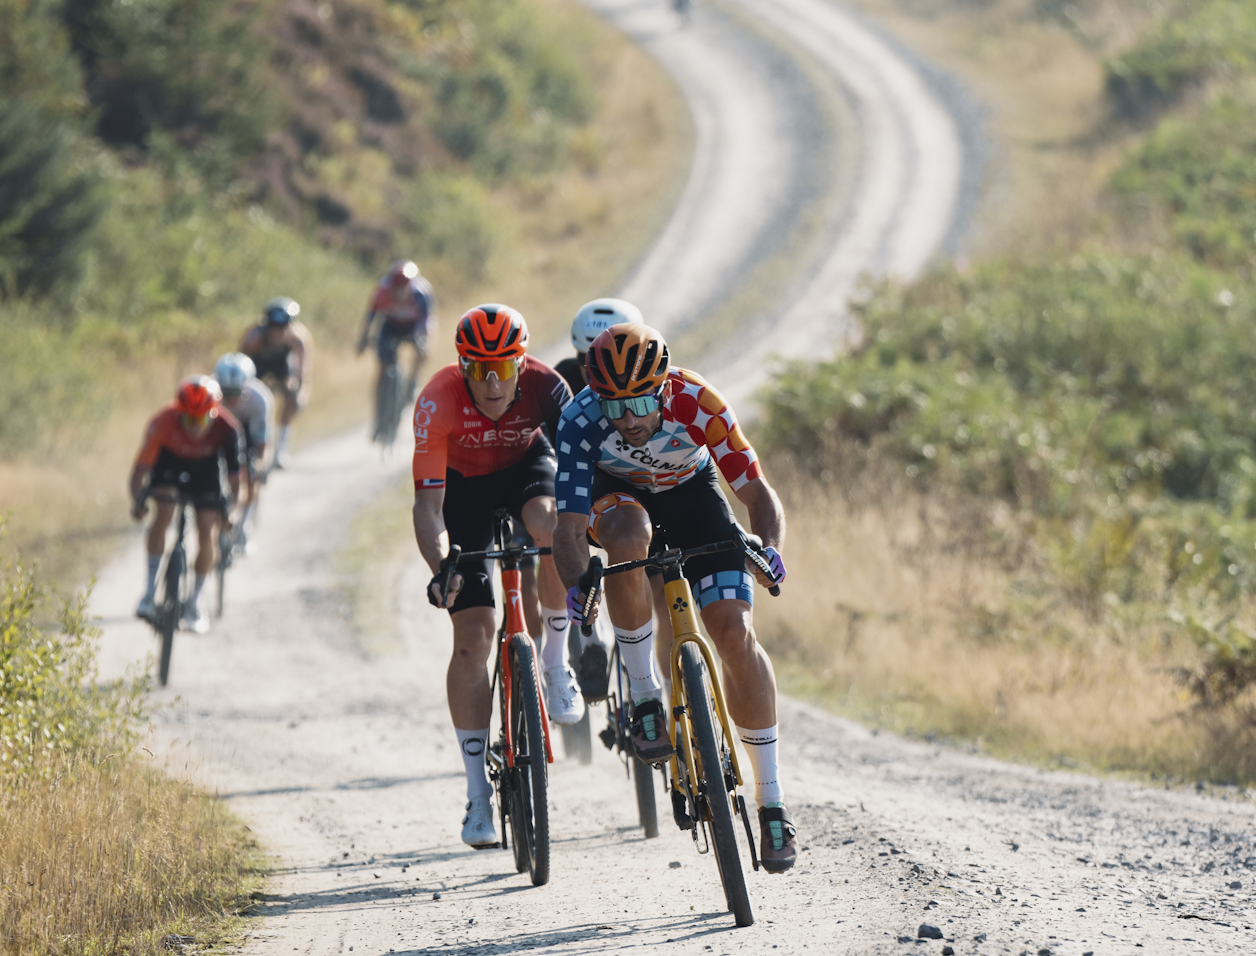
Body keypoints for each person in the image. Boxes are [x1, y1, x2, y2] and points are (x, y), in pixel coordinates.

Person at [551, 322, 797, 872]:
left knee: (735, 634)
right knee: (626, 537)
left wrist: (769, 549)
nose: (631, 419)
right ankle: (644, 695)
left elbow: (756, 492)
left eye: (641, 401)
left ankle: (773, 802)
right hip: (617, 499)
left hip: (692, 494)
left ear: (662, 386)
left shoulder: (697, 400)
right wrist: (579, 585)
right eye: (616, 407)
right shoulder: (579, 419)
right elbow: (567, 531)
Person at [411, 303, 581, 848]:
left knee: (551, 528)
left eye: (503, 369)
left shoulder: (547, 387)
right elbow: (429, 508)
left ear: (521, 363)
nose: (491, 382)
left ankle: (555, 664)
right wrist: (443, 566)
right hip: (462, 491)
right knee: (474, 637)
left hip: (528, 470)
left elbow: (582, 464)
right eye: (478, 368)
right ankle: (478, 799)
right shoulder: (437, 399)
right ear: (461, 365)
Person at [130, 376, 244, 634]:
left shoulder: (228, 428)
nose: (194, 427)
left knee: (207, 529)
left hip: (207, 471)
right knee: (164, 512)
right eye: (187, 419)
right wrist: (137, 501)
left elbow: (237, 482)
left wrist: (232, 512)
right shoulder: (162, 421)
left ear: (213, 414)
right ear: (179, 412)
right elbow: (138, 472)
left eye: (201, 420)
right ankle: (148, 594)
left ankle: (195, 602)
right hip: (170, 465)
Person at [358, 261, 435, 439]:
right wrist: (363, 339)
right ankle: (378, 418)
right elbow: (370, 317)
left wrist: (421, 340)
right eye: (396, 287)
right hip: (390, 326)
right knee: (382, 368)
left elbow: (426, 322)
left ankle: (412, 382)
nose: (399, 292)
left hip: (413, 327)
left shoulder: (420, 293)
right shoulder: (382, 291)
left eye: (403, 287)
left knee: (423, 349)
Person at [240, 296, 312, 467]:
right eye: (273, 328)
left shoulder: (299, 340)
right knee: (245, 397)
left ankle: (281, 449)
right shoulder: (253, 339)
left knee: (291, 392)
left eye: (282, 328)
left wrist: (300, 396)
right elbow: (241, 366)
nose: (277, 333)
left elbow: (303, 374)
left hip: (282, 365)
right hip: (258, 363)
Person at [214, 352, 275, 552]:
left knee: (252, 476)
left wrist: (259, 465)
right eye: (226, 391)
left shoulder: (261, 399)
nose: (230, 398)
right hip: (220, 430)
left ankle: (244, 528)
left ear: (246, 387)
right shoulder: (210, 394)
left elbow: (263, 442)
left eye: (235, 391)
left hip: (248, 431)